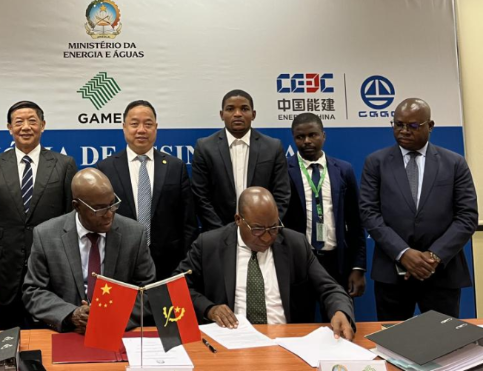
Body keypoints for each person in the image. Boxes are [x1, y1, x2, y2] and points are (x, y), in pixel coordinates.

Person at [178, 187, 355, 339]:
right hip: (230, 338)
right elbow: (177, 288)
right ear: (238, 219)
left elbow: (330, 288)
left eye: (273, 228)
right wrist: (209, 309)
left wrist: (340, 311)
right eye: (257, 229)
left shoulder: (295, 244)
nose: (267, 237)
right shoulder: (209, 245)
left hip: (286, 340)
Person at [360, 98, 477, 320]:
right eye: (398, 124)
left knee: (443, 338)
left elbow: (467, 217)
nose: (404, 131)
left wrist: (434, 256)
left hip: (442, 274)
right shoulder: (376, 162)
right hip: (392, 273)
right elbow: (369, 213)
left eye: (413, 125)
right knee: (393, 337)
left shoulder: (454, 163)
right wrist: (403, 253)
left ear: (430, 126)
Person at [0, 100, 77, 329]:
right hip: (3, 274)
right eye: (19, 122)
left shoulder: (64, 165)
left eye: (32, 121)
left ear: (43, 125)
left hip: (50, 273)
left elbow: (71, 224)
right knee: (5, 340)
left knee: (49, 339)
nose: (26, 127)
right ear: (9, 128)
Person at [22, 169, 155, 333]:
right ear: (77, 206)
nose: (109, 215)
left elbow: (148, 292)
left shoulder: (134, 233)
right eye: (99, 209)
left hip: (116, 330)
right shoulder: (46, 235)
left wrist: (110, 315)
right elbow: (34, 291)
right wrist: (70, 314)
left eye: (112, 204)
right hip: (68, 333)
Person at [96, 100, 197, 281]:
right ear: (124, 127)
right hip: (120, 262)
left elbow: (188, 222)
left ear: (156, 128)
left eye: (148, 124)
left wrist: (184, 264)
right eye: (134, 124)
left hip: (169, 264)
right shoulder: (106, 168)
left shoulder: (175, 167)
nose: (141, 130)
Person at [282, 113, 366, 318]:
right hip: (299, 263)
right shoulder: (283, 170)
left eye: (313, 135)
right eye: (300, 137)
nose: (307, 141)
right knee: (300, 325)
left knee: (340, 320)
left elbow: (355, 222)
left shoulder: (343, 170)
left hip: (335, 262)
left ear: (323, 135)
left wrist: (358, 267)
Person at [191, 89, 290, 230]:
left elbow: (282, 194)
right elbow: (200, 196)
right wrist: (221, 232)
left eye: (244, 109)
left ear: (253, 114)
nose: (237, 114)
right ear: (221, 115)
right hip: (218, 233)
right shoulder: (205, 147)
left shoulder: (273, 147)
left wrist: (266, 227)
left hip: (263, 233)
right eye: (230, 109)